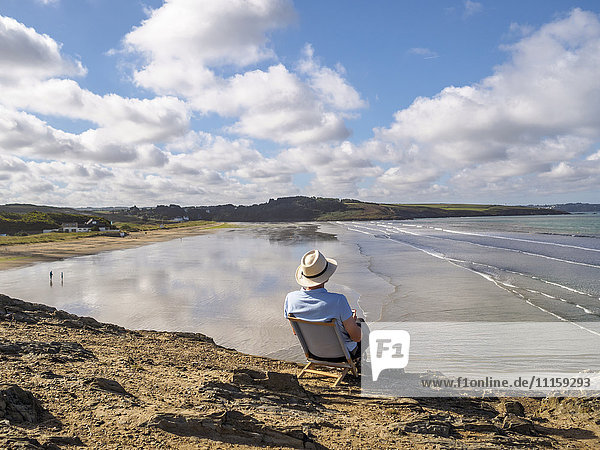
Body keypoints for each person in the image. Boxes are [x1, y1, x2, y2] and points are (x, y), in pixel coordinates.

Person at [284, 249, 364, 360]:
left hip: (314, 353)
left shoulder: (290, 299)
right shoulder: (338, 301)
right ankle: (361, 365)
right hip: (342, 355)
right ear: (326, 277)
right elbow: (356, 337)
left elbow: (296, 332)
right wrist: (351, 321)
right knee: (361, 325)